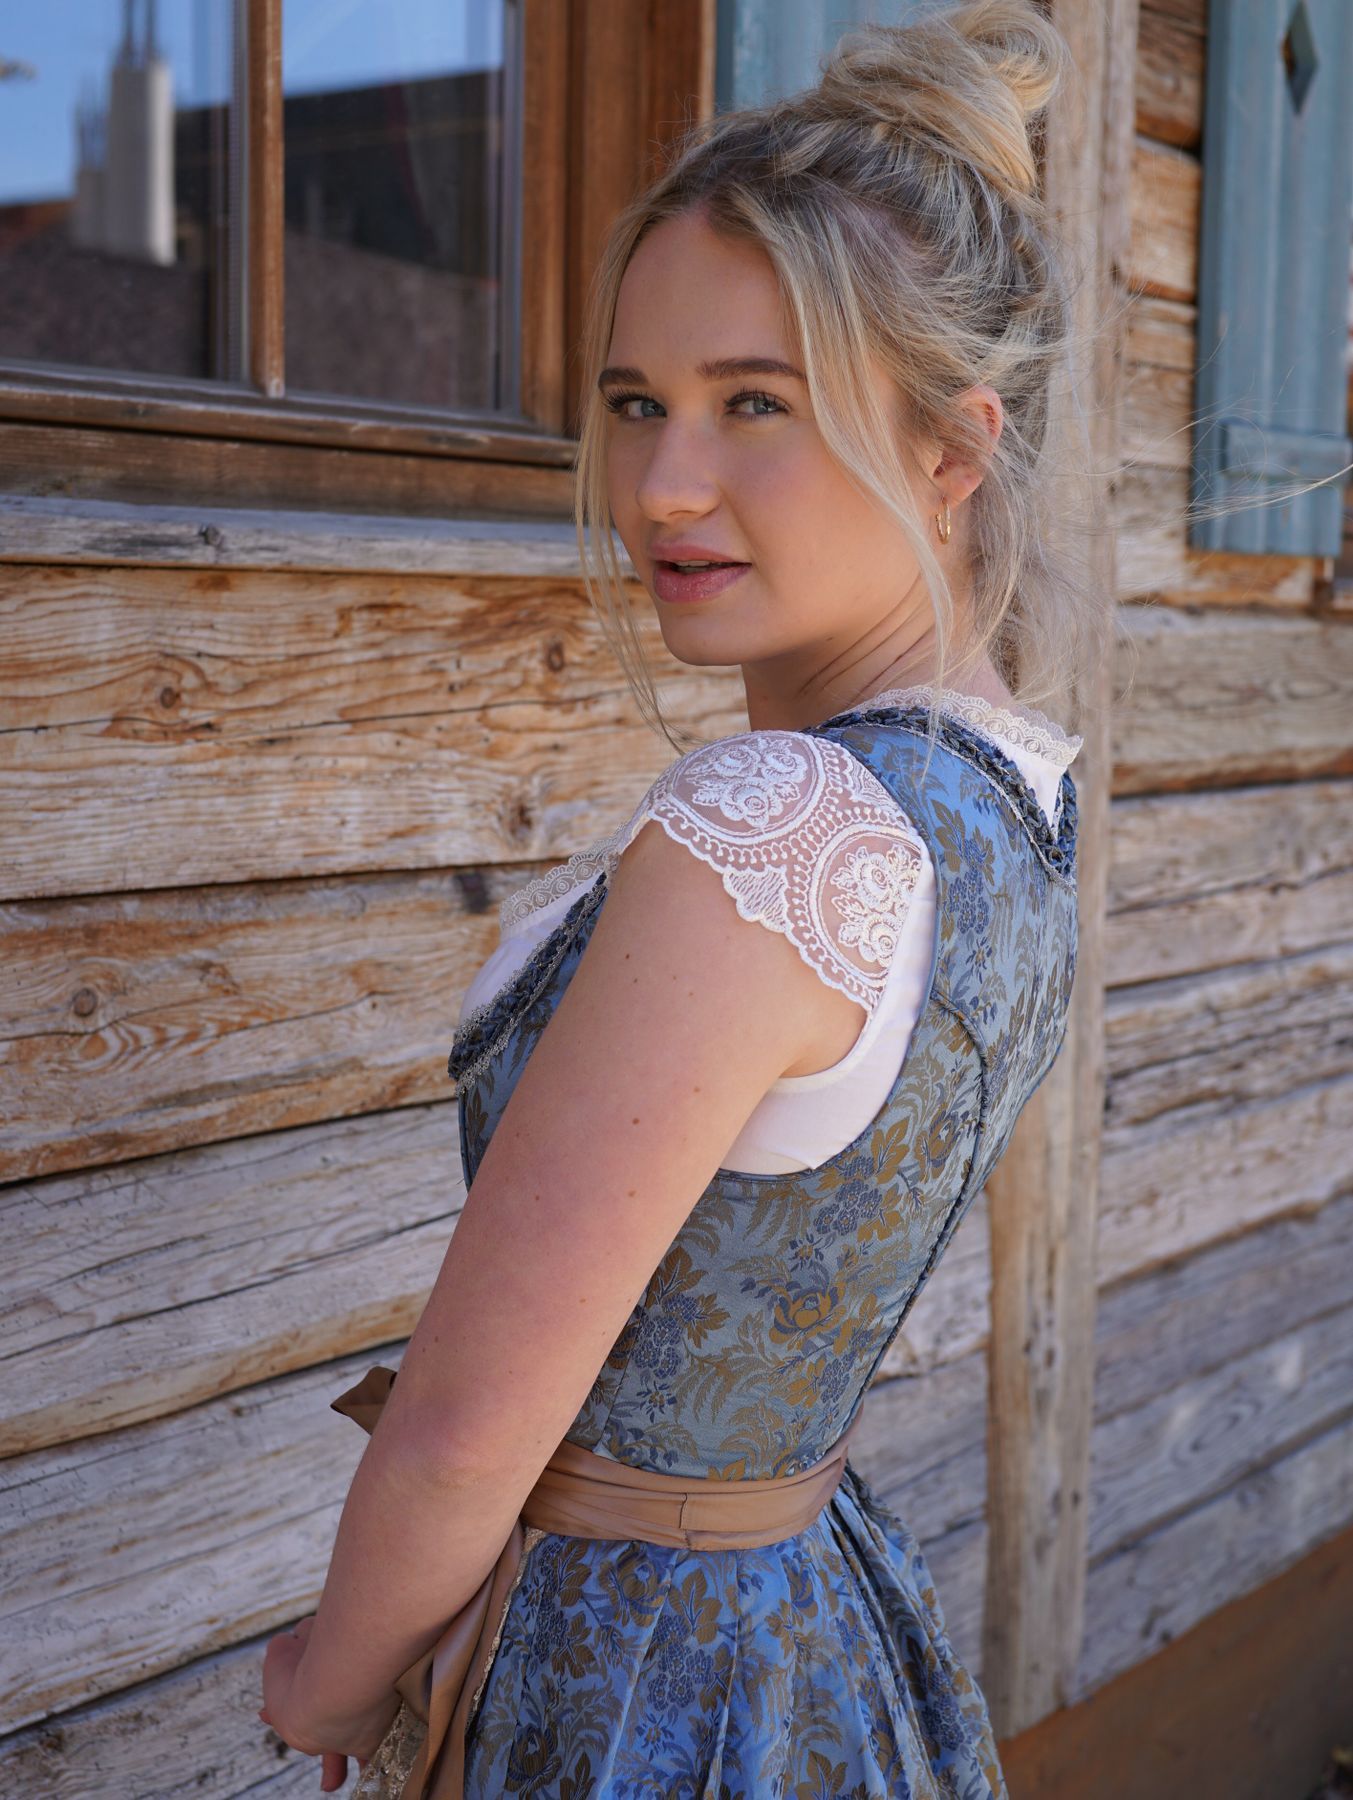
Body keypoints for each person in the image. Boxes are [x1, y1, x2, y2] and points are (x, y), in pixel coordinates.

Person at [258, 1, 1106, 1793]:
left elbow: (465, 1429)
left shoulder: (775, 826)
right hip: (800, 1608)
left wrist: (330, 1686)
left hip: (630, 1674)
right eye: (637, 402)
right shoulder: (1009, 797)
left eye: (754, 406)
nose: (663, 484)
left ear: (950, 451)